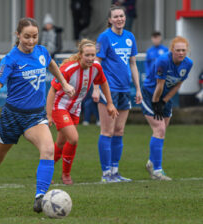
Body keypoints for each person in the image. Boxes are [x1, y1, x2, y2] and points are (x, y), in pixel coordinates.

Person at [0, 17, 75, 214]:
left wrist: (63, 83)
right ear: (18, 35)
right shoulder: (10, 59)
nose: (31, 41)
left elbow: (52, 64)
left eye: (35, 37)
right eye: (27, 37)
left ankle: (40, 198)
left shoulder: (42, 52)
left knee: (47, 149)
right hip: (12, 117)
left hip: (35, 117)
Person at [46, 39, 118, 185]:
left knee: (61, 143)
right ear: (80, 55)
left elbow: (103, 82)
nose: (91, 58)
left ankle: (45, 170)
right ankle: (66, 175)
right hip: (60, 106)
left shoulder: (96, 67)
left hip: (75, 108)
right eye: (87, 55)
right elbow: (52, 90)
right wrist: (48, 115)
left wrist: (110, 103)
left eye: (93, 55)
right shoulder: (69, 69)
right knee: (73, 138)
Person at [94, 5, 142, 183]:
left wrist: (137, 89)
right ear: (110, 20)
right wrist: (97, 88)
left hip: (124, 89)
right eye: (115, 16)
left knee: (119, 131)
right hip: (109, 89)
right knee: (107, 131)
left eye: (121, 16)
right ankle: (106, 174)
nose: (119, 19)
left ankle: (115, 171)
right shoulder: (105, 37)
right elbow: (97, 63)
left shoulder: (130, 37)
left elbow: (133, 64)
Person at [142, 36, 193, 180]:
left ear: (187, 50)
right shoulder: (163, 60)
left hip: (164, 97)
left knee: (162, 131)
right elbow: (159, 85)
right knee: (159, 129)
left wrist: (164, 101)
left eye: (183, 50)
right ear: (172, 50)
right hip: (150, 95)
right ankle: (157, 171)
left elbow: (178, 84)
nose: (181, 53)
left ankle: (151, 163)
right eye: (178, 50)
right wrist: (156, 102)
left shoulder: (188, 63)